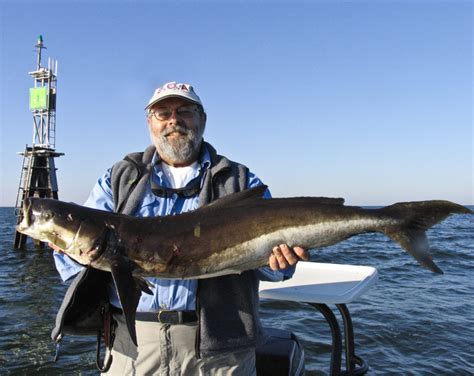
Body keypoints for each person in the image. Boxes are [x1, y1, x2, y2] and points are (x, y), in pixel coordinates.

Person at [53, 81, 309, 375]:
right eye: (163, 113)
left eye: (185, 111)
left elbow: (274, 269)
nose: (174, 120)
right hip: (132, 343)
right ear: (150, 123)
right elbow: (78, 261)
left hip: (219, 350)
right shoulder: (118, 177)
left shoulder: (240, 181)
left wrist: (277, 262)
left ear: (202, 119)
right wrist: (67, 249)